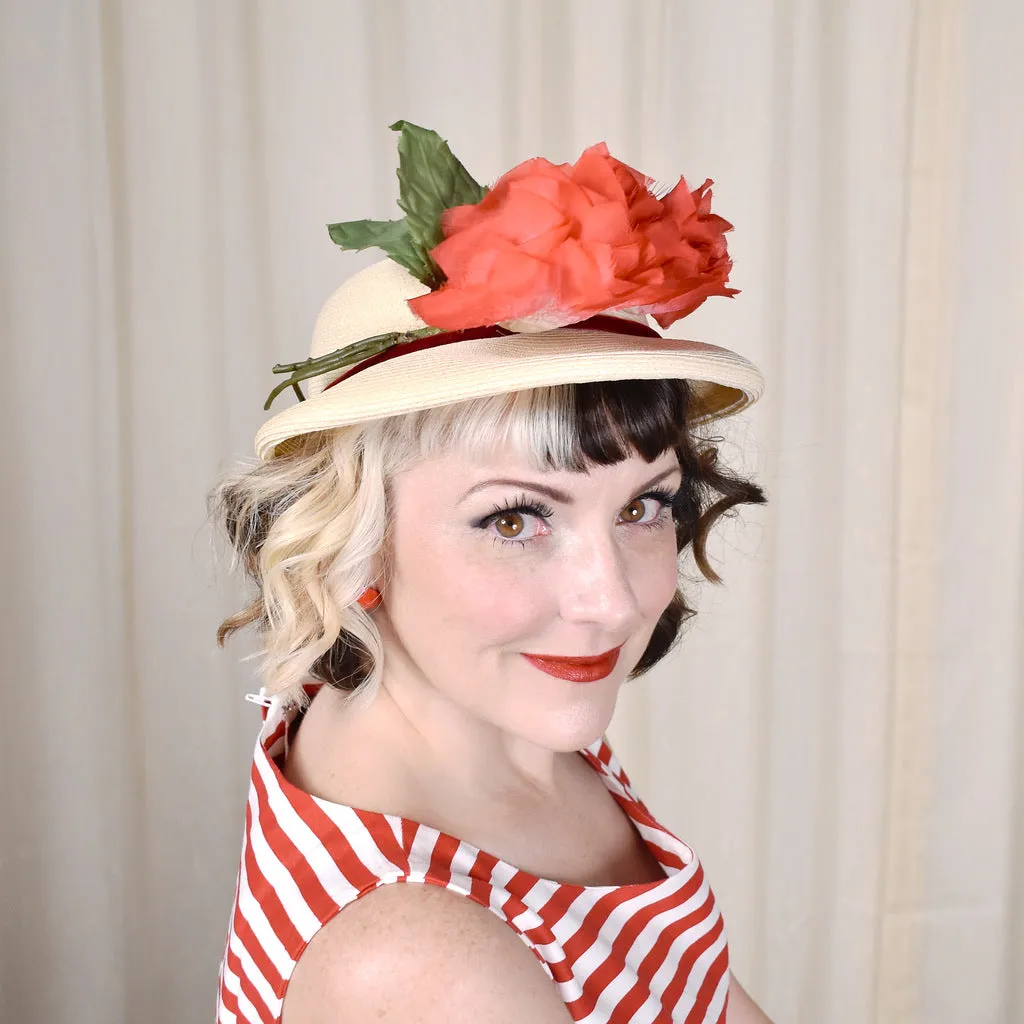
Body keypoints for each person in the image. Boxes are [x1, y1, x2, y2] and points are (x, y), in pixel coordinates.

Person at [207, 121, 774, 1023]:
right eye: (515, 518)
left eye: (642, 506)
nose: (610, 602)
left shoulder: (500, 722)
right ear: (355, 543)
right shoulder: (422, 960)